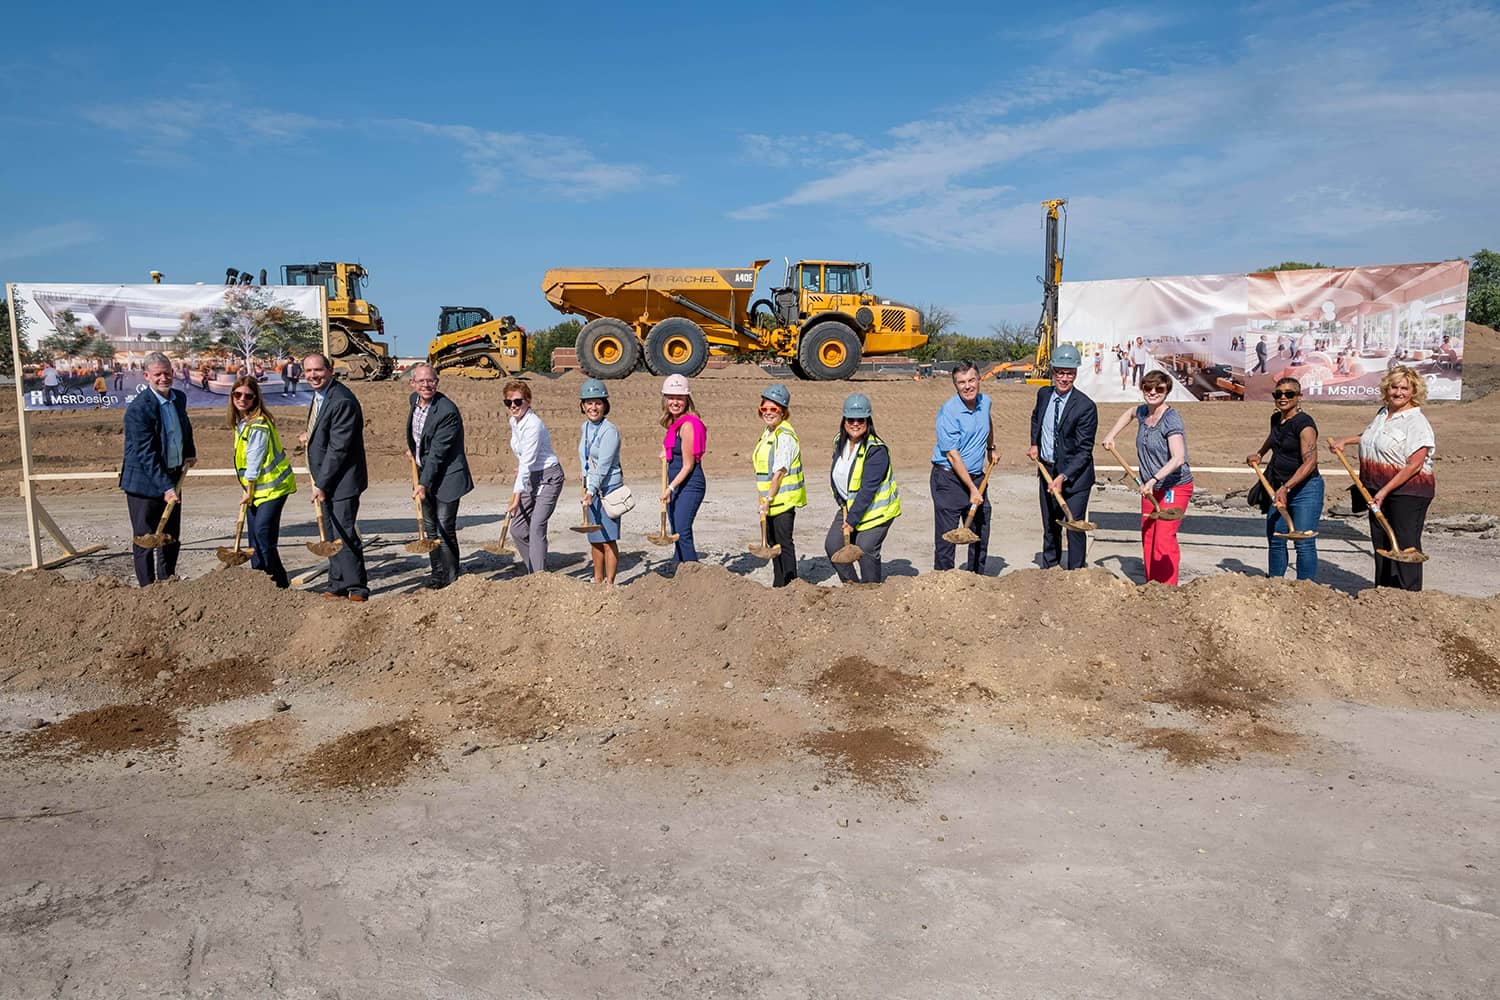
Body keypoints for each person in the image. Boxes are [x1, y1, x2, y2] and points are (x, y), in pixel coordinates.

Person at [1329, 365, 1436, 591]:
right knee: (1382, 542)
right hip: (1376, 489)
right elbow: (1371, 437)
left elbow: (1414, 464)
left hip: (1407, 492)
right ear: (1386, 389)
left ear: (1413, 392)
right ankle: (1384, 594)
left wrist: (1384, 492)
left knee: (1404, 545)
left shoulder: (1416, 422)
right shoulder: (1383, 414)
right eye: (1394, 387)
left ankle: (1407, 595)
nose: (1398, 392)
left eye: (1404, 388)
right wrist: (1345, 441)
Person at [1102, 370, 1193, 585]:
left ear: (1167, 391)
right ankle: (1152, 586)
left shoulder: (1171, 419)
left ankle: (1167, 590)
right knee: (1149, 535)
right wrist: (1111, 435)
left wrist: (1152, 479)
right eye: (1148, 388)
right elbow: (1129, 413)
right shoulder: (1143, 412)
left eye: (1159, 389)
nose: (1153, 392)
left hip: (1174, 487)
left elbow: (1178, 458)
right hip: (1150, 487)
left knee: (1163, 538)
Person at [119, 352, 197, 586]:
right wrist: (166, 487)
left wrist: (189, 451)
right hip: (144, 482)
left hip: (173, 476)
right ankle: (148, 588)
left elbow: (184, 426)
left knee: (170, 536)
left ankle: (167, 581)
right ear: (146, 376)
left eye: (167, 373)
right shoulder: (138, 409)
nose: (163, 378)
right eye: (157, 374)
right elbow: (146, 453)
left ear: (173, 373)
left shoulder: (178, 398)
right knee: (145, 538)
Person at [302, 352, 369, 600]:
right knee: (330, 533)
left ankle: (357, 587)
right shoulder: (321, 396)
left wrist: (321, 483)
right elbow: (324, 432)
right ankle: (337, 583)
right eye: (308, 371)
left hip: (342, 480)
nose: (313, 376)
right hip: (328, 479)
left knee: (344, 532)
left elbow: (338, 448)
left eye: (318, 370)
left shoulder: (341, 400)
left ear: (330, 370)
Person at [1027, 344, 1097, 570]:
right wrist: (1035, 443)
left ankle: (1076, 573)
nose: (1065, 378)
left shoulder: (1085, 406)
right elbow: (1036, 418)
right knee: (1050, 525)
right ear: (1053, 371)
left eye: (1070, 373)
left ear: (1075, 373)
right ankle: (1050, 570)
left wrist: (1064, 476)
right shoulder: (1044, 394)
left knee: (1074, 527)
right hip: (1048, 471)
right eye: (1060, 372)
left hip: (1074, 479)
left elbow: (1084, 450)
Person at [1247, 376, 1322, 581]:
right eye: (1278, 394)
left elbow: (1310, 461)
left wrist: (1287, 488)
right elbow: (1274, 436)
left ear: (1299, 396)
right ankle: (1276, 585)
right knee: (1276, 537)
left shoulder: (1304, 424)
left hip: (1305, 489)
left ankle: (1305, 589)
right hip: (1279, 486)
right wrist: (1260, 453)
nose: (1282, 397)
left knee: (1303, 541)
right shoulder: (1276, 418)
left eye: (1289, 394)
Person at [406, 364, 472, 589]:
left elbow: (437, 452)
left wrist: (423, 483)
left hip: (448, 476)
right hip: (427, 472)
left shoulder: (446, 411)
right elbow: (420, 436)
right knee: (430, 529)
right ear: (412, 383)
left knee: (444, 528)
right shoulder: (413, 402)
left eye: (430, 380)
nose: (426, 385)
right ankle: (437, 576)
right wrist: (414, 451)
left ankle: (452, 581)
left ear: (437, 382)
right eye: (421, 381)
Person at [825, 393, 901, 584]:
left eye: (861, 419)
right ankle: (853, 587)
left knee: (865, 548)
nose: (855, 423)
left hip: (876, 512)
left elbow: (868, 490)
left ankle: (872, 591)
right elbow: (837, 475)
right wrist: (841, 502)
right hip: (850, 507)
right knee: (833, 546)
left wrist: (851, 520)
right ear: (844, 420)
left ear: (868, 420)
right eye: (851, 419)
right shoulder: (838, 443)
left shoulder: (876, 450)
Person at [228, 375, 295, 588]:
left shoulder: (258, 424)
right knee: (254, 541)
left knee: (264, 537)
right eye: (238, 394)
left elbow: (254, 460)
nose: (242, 399)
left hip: (273, 488)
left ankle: (279, 584)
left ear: (255, 399)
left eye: (248, 396)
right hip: (257, 490)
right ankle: (260, 585)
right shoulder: (242, 423)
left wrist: (248, 489)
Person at [930, 361, 995, 573]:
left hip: (976, 476)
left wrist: (991, 447)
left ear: (979, 380)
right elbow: (952, 455)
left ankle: (977, 579)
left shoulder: (985, 402)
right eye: (961, 382)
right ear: (956, 385)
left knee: (980, 531)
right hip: (949, 480)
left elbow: (988, 421)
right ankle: (944, 583)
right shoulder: (948, 412)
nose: (967, 386)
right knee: (947, 538)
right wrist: (972, 489)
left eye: (971, 380)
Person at [505, 379, 564, 574]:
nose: (513, 406)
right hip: (531, 475)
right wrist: (521, 474)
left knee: (537, 526)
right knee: (517, 529)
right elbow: (523, 459)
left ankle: (538, 576)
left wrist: (515, 498)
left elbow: (527, 462)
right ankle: (536, 568)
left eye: (517, 401)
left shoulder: (533, 425)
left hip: (550, 476)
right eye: (508, 402)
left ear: (528, 401)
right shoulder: (514, 421)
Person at [752, 383, 805, 587]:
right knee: (774, 545)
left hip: (782, 500)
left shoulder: (784, 436)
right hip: (770, 500)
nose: (768, 413)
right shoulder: (768, 433)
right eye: (764, 409)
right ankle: (778, 585)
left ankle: (791, 585)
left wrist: (768, 500)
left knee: (784, 544)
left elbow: (779, 473)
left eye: (773, 409)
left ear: (783, 411)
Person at [578, 378, 624, 584]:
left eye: (597, 403)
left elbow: (604, 465)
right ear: (582, 405)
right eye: (589, 403)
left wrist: (591, 490)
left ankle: (610, 583)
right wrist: (585, 487)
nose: (593, 407)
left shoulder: (609, 431)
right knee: (595, 539)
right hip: (592, 488)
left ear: (605, 405)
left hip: (608, 488)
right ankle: (597, 580)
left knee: (608, 539)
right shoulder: (585, 428)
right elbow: (584, 459)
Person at [659, 373, 707, 566]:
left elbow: (688, 465)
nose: (675, 402)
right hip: (677, 482)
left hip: (689, 484)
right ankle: (679, 572)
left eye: (679, 397)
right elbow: (676, 450)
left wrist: (670, 488)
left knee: (682, 530)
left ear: (687, 399)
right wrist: (666, 451)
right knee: (675, 530)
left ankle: (693, 573)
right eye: (671, 397)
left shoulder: (688, 425)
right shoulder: (675, 424)